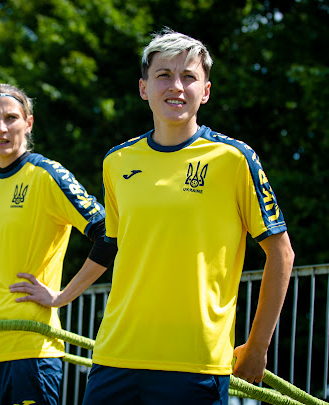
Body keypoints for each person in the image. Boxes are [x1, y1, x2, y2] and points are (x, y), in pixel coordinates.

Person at [78, 29, 295, 404]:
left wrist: (258, 346)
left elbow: (282, 253)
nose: (176, 86)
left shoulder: (235, 159)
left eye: (188, 76)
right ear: (144, 88)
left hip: (195, 364)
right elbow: (115, 246)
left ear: (205, 91)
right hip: (114, 356)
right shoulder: (116, 162)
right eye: (163, 75)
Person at [0, 83, 115, 405]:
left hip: (29, 349)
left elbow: (109, 234)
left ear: (28, 123)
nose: (1, 128)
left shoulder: (46, 175)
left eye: (11, 118)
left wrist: (62, 296)